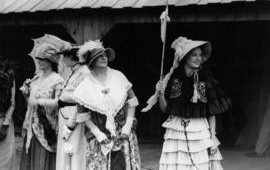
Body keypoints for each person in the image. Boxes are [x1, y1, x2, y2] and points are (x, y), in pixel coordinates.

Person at [155, 36, 231, 170]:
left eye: (200, 55)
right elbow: (166, 110)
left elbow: (211, 112)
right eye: (194, 55)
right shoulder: (174, 79)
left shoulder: (205, 79)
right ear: (185, 57)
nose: (198, 58)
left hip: (199, 130)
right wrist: (160, 95)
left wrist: (212, 138)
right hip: (175, 131)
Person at [71, 40, 141, 170]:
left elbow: (132, 100)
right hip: (100, 135)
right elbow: (83, 116)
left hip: (122, 132)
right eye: (99, 56)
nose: (104, 58)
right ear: (91, 61)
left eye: (104, 55)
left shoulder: (118, 76)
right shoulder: (85, 85)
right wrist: (98, 134)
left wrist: (128, 125)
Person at [19, 43, 64, 170]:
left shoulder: (57, 80)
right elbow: (30, 103)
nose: (38, 61)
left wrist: (39, 101)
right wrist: (26, 94)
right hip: (32, 125)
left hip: (46, 126)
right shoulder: (36, 78)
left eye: (42, 59)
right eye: (38, 58)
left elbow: (59, 103)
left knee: (43, 159)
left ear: (50, 61)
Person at [56, 45, 90, 170]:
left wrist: (64, 96)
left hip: (73, 113)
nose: (63, 59)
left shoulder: (84, 72)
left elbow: (83, 96)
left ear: (72, 57)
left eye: (64, 56)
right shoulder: (74, 72)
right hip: (65, 113)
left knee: (74, 147)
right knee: (65, 148)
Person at [0, 56, 16, 170]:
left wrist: (5, 123)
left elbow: (12, 102)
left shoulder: (8, 75)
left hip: (2, 120)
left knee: (4, 158)